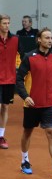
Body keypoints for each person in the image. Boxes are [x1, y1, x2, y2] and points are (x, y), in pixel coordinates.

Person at [16, 27, 52, 179]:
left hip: (50, 104)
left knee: (51, 133)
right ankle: (25, 160)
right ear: (39, 39)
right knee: (27, 132)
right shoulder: (29, 57)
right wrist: (25, 96)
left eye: (51, 38)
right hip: (32, 104)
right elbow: (19, 79)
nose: (49, 40)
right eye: (46, 38)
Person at [0, 14, 23, 149]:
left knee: (5, 107)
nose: (7, 26)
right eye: (4, 23)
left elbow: (22, 56)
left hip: (9, 79)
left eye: (8, 23)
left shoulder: (15, 39)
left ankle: (1, 136)